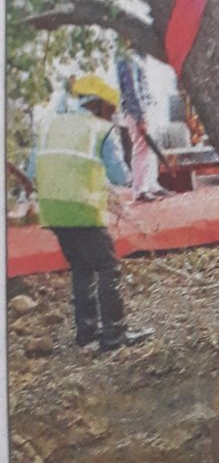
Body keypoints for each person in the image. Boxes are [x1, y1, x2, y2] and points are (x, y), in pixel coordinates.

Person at [29, 75, 154, 353]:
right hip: (83, 208)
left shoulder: (48, 126)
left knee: (82, 268)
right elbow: (121, 175)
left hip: (52, 211)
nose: (112, 115)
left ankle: (86, 334)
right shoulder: (100, 130)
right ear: (97, 105)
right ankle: (114, 335)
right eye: (110, 109)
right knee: (107, 267)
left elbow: (32, 171)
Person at [115, 42, 163, 202]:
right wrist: (140, 117)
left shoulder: (135, 58)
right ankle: (141, 189)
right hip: (137, 111)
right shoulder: (129, 59)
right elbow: (132, 91)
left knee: (147, 148)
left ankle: (151, 185)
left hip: (143, 108)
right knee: (142, 147)